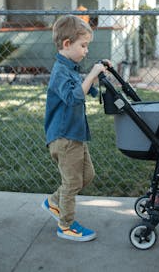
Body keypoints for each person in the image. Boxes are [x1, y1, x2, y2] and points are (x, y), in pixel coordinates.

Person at [41, 14, 110, 242]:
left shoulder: (70, 67)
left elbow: (85, 89)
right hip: (64, 137)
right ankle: (66, 225)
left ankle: (53, 202)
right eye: (83, 45)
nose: (86, 50)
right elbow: (73, 97)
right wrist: (91, 74)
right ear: (67, 44)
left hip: (75, 135)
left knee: (86, 176)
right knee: (72, 183)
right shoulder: (60, 72)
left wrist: (97, 76)